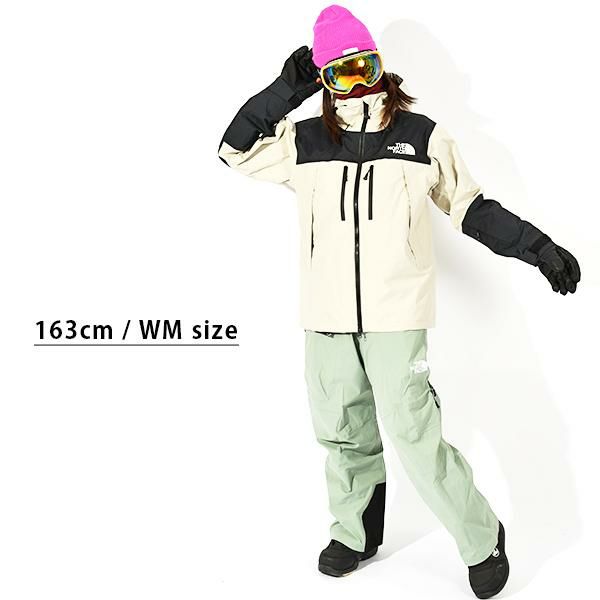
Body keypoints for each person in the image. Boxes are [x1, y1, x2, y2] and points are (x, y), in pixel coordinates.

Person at [217, 5, 581, 598]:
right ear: (323, 80)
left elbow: (470, 207)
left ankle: (481, 537)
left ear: (381, 67)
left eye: (365, 67)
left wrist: (537, 247)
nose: (358, 84)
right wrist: (286, 91)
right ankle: (356, 532)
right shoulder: (304, 142)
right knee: (341, 430)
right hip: (326, 315)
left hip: (397, 314)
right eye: (340, 74)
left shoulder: (421, 136)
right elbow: (234, 150)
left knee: (414, 434)